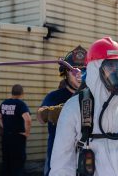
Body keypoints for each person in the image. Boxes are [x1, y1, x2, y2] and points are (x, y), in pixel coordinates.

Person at [49, 37, 118, 176]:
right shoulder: (75, 107)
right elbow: (62, 160)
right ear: (96, 70)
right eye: (110, 67)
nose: (116, 73)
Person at [37, 45, 87, 176]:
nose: (80, 75)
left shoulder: (94, 97)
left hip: (86, 160)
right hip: (59, 159)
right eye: (74, 71)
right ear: (65, 73)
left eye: (84, 70)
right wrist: (55, 112)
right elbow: (40, 117)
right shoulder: (54, 97)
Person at [0, 84, 32, 176]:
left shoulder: (4, 103)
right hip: (18, 137)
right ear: (22, 93)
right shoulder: (21, 104)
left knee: (6, 160)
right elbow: (27, 119)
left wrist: (4, 126)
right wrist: (27, 133)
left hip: (6, 136)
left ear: (12, 92)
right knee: (18, 162)